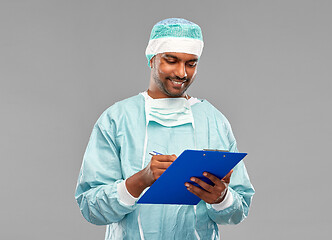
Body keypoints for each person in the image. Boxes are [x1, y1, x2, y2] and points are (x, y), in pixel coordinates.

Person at [75, 18, 255, 240]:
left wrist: (222, 198)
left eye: (191, 63)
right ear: (151, 59)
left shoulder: (213, 121)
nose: (182, 73)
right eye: (171, 60)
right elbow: (90, 207)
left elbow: (240, 207)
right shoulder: (117, 119)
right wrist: (140, 181)